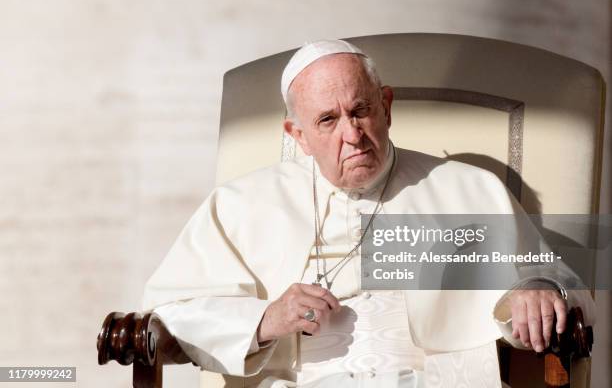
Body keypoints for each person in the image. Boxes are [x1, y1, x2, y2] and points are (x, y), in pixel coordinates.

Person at [142, 40, 594, 387]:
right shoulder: (241, 204)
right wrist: (265, 321)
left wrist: (536, 286)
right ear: (297, 135)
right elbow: (170, 314)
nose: (352, 134)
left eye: (361, 110)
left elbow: (559, 283)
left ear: (387, 107)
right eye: (327, 121)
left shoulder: (468, 188)